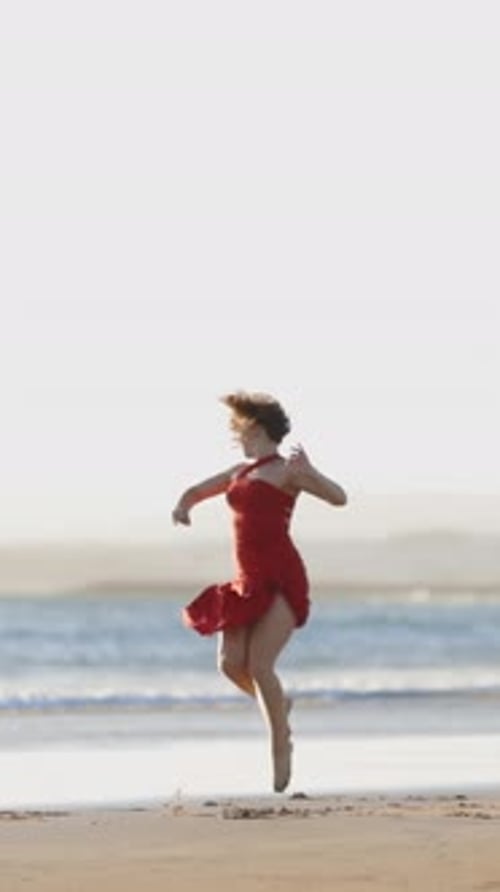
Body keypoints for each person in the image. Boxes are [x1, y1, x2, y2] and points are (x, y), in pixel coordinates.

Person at [171, 391, 347, 793]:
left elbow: (339, 498)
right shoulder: (239, 471)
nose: (238, 439)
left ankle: (280, 748)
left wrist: (313, 472)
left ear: (260, 429)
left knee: (261, 666)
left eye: (243, 431)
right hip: (246, 581)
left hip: (281, 577)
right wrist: (183, 507)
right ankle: (279, 708)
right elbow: (196, 491)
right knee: (230, 664)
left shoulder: (288, 472)